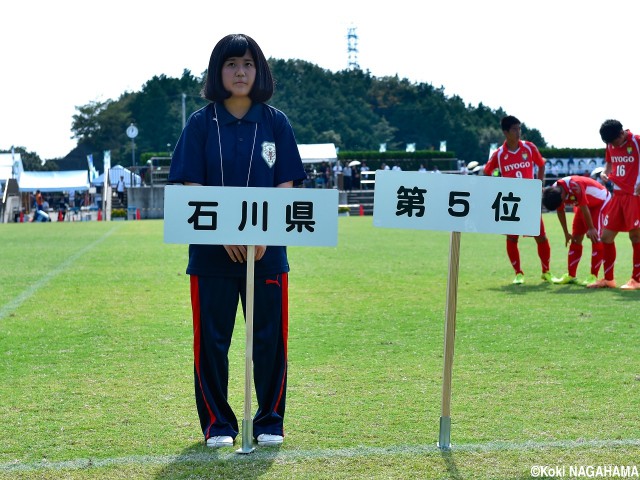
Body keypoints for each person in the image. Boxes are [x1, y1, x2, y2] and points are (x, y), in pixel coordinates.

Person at [167, 33, 307, 448]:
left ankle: (269, 421)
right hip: (211, 255)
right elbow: (190, 182)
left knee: (269, 338)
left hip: (267, 254)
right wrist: (225, 230)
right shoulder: (200, 123)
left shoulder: (276, 122)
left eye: (247, 63)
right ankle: (218, 424)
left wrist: (262, 232)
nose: (240, 72)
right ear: (218, 72)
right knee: (212, 342)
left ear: (258, 69)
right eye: (231, 64)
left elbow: (286, 183)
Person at [483, 115, 553, 284]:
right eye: (515, 129)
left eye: (519, 128)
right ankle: (518, 273)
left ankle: (546, 272)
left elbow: (541, 164)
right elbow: (487, 172)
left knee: (541, 236)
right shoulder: (499, 154)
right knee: (512, 238)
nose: (518, 132)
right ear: (506, 132)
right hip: (511, 201)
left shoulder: (529, 148)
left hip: (529, 199)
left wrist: (539, 184)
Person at [587, 119, 640, 289]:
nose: (613, 146)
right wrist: (605, 172)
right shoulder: (610, 144)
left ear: (622, 133)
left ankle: (636, 280)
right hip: (617, 196)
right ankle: (608, 279)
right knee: (606, 237)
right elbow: (609, 164)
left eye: (614, 142)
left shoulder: (637, 142)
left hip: (634, 196)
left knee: (636, 237)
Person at [542, 175, 610, 286]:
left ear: (562, 195)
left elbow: (584, 207)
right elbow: (560, 212)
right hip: (583, 205)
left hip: (600, 202)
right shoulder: (555, 191)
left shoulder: (575, 185)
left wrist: (591, 228)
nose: (563, 203)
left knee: (595, 238)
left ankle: (593, 276)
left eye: (563, 201)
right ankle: (571, 276)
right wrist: (566, 233)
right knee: (575, 238)